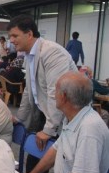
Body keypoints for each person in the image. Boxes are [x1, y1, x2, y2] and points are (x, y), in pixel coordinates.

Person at [26, 71, 109, 173]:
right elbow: (56, 150)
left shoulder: (90, 128)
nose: (52, 95)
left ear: (64, 97)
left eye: (55, 90)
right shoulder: (73, 115)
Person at [8, 14, 77, 151]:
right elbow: (29, 90)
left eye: (15, 36)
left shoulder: (52, 52)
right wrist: (20, 118)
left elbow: (55, 93)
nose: (11, 40)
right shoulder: (29, 55)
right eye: (10, 36)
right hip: (45, 114)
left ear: (29, 34)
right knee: (35, 160)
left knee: (63, 165)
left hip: (67, 118)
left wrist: (49, 130)